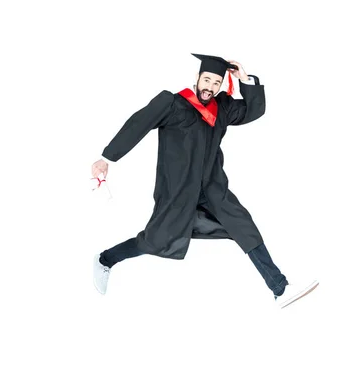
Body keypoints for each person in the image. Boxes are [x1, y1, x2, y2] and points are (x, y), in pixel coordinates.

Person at [91, 53, 318, 309]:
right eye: (206, 80)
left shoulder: (222, 108)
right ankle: (105, 260)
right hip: (177, 191)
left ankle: (280, 288)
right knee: (155, 241)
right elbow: (137, 124)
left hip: (212, 188)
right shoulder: (172, 104)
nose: (210, 87)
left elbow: (254, 110)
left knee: (243, 226)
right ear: (197, 78)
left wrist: (245, 79)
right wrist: (107, 158)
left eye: (216, 82)